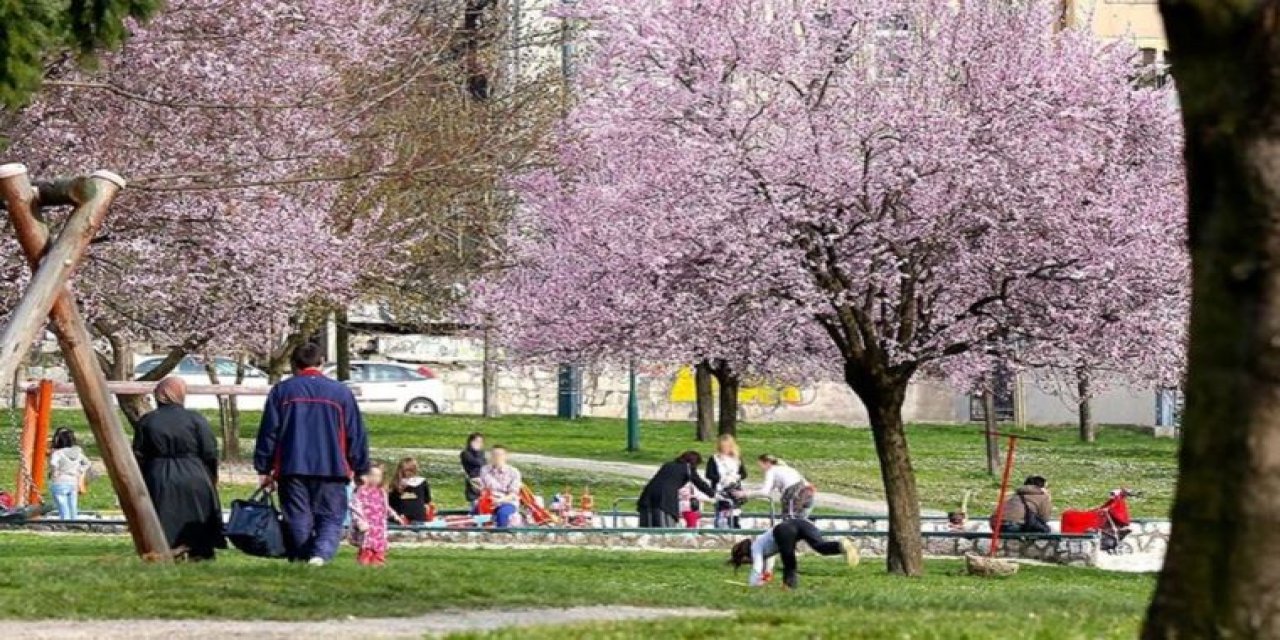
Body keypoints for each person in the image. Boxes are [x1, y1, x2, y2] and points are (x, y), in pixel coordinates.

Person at [254, 343, 370, 566]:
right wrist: (361, 466)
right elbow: (355, 433)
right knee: (331, 516)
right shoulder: (340, 393)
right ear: (322, 363)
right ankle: (319, 555)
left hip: (291, 466)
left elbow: (269, 432)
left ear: (294, 364)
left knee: (297, 516)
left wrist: (263, 467)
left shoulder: (282, 391)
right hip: (332, 467)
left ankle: (302, 556)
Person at [133, 377, 225, 559]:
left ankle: (165, 550)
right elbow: (209, 451)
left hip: (159, 473)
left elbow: (139, 454)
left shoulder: (148, 421)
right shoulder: (196, 419)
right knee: (198, 513)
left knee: (163, 515)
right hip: (194, 472)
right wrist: (211, 475)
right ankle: (199, 550)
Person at [728, 519, 859, 589]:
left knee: (789, 562)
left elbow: (757, 567)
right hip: (802, 523)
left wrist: (752, 584)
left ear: (744, 555)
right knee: (820, 547)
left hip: (784, 530)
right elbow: (768, 564)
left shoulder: (755, 547)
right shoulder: (763, 544)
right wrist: (766, 576)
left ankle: (789, 587)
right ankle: (840, 546)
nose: (746, 563)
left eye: (743, 561)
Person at [636, 451, 716, 528]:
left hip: (647, 497)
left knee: (647, 529)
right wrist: (713, 494)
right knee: (664, 530)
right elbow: (700, 483)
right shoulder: (687, 468)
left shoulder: (668, 465)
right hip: (664, 500)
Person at [750, 454, 815, 520]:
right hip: (809, 494)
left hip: (794, 495)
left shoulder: (771, 470)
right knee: (801, 521)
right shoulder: (785, 468)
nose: (760, 468)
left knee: (789, 522)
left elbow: (764, 491)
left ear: (767, 463)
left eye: (760, 465)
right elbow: (771, 487)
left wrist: (745, 494)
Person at [349, 464, 391, 566]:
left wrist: (393, 515)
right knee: (366, 546)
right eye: (373, 475)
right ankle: (364, 563)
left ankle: (378, 563)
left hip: (379, 525)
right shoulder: (361, 491)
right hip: (367, 524)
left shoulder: (381, 492)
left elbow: (385, 506)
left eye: (378, 476)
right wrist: (360, 521)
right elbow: (355, 507)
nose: (375, 478)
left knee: (379, 546)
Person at [48, 428, 91, 520]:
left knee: (62, 504)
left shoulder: (58, 453)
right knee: (72, 505)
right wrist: (80, 470)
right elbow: (87, 463)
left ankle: (65, 521)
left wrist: (54, 473)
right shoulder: (78, 453)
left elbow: (53, 463)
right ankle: (73, 520)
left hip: (60, 480)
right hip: (73, 481)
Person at [706, 434, 748, 529]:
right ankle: (721, 529)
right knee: (723, 512)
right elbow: (709, 474)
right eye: (723, 447)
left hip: (734, 488)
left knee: (734, 513)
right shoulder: (714, 458)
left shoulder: (737, 458)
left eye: (727, 447)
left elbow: (744, 474)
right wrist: (721, 478)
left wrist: (735, 477)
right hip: (720, 489)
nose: (725, 449)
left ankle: (735, 528)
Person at [475, 446, 522, 528]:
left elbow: (513, 494)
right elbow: (483, 489)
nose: (496, 457)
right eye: (493, 455)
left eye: (499, 455)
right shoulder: (484, 470)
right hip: (488, 500)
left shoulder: (514, 472)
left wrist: (499, 500)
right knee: (475, 512)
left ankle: (500, 534)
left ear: (506, 456)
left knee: (502, 514)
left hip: (507, 501)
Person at [388, 457, 432, 524]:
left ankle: (403, 520)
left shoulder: (395, 483)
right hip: (419, 517)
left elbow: (390, 503)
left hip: (400, 515)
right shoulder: (423, 482)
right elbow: (427, 500)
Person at [460, 432, 486, 504]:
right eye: (476, 441)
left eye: (480, 442)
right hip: (473, 481)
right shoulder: (465, 453)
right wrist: (476, 451)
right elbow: (478, 463)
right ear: (470, 442)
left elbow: (484, 464)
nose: (479, 444)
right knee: (475, 503)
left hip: (483, 480)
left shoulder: (481, 453)